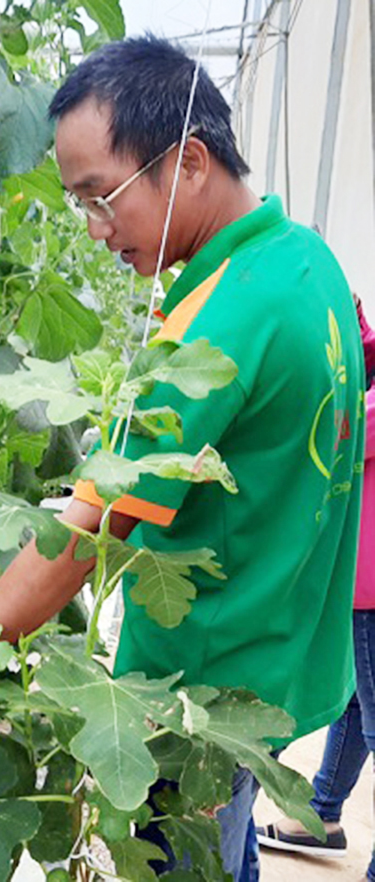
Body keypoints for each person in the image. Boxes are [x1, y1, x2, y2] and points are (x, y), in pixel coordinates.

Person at [0, 36, 364, 882]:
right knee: (228, 850)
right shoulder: (307, 262)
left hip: (193, 703)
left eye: (99, 197)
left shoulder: (220, 323)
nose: (93, 230)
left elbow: (85, 529)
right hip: (280, 673)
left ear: (187, 162)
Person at [255, 302, 375, 873]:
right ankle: (322, 812)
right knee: (354, 699)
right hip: (363, 582)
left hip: (371, 586)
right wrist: (352, 331)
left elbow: (345, 428)